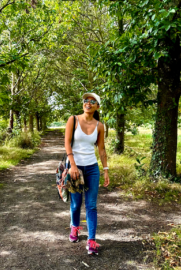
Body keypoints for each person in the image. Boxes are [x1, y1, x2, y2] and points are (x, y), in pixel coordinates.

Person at [64, 92, 110, 255]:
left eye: (92, 101)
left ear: (97, 106)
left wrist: (105, 170)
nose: (88, 103)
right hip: (75, 168)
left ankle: (91, 241)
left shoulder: (99, 126)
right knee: (76, 203)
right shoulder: (73, 120)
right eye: (86, 100)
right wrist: (73, 165)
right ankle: (74, 228)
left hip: (91, 168)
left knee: (91, 205)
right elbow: (67, 143)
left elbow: (101, 149)